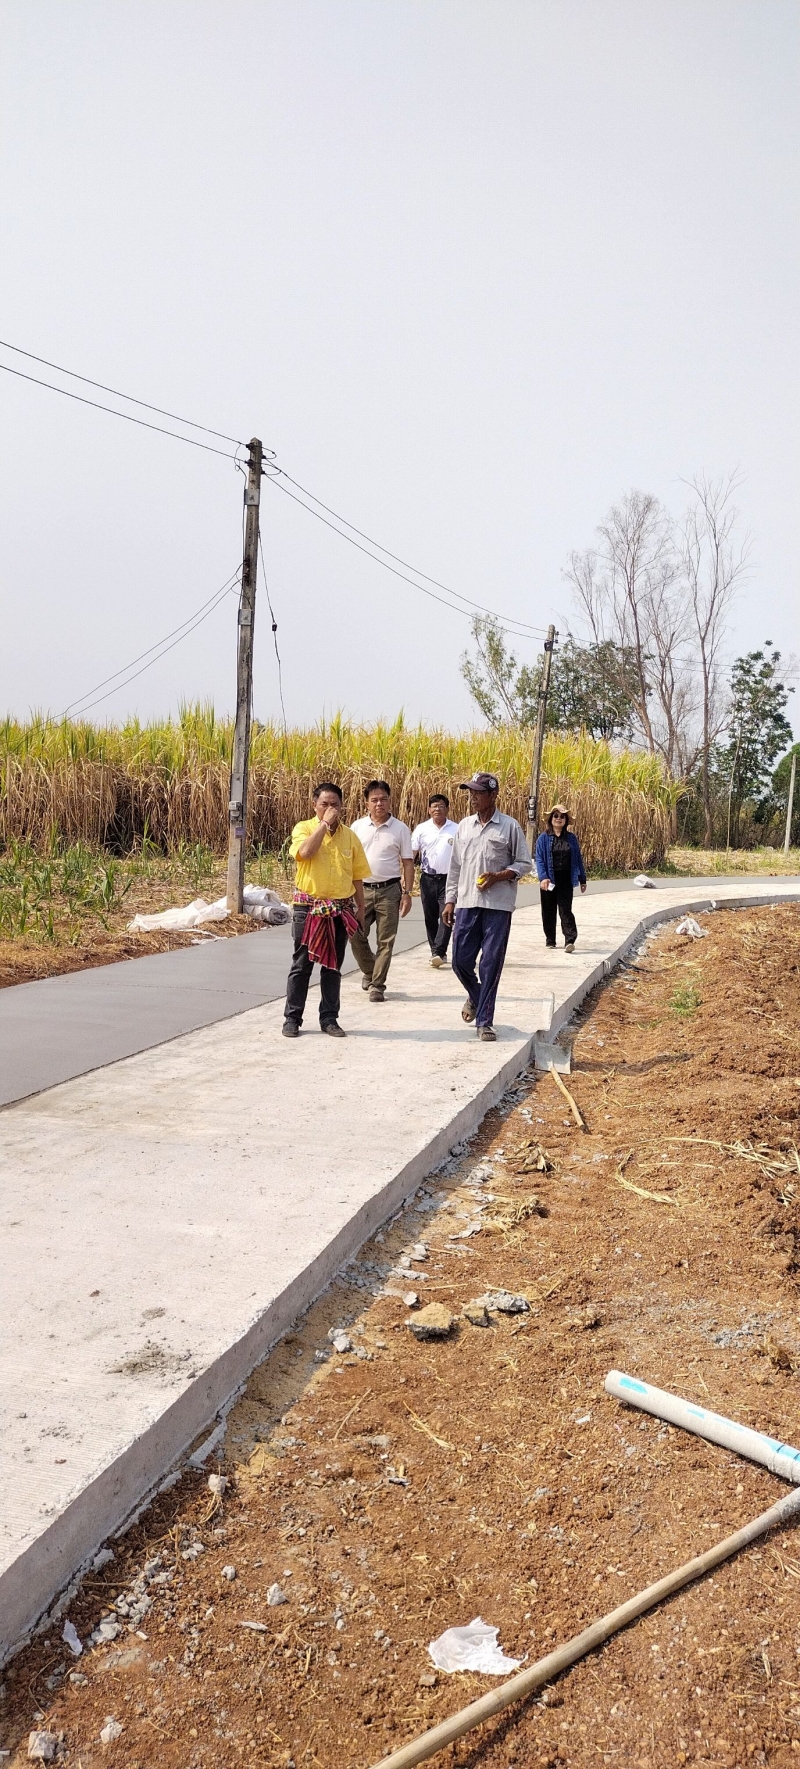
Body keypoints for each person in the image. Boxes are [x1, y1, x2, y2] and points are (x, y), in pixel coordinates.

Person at [443, 771, 532, 1042]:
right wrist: (450, 900)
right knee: (459, 961)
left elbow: (524, 863)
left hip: (498, 905)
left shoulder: (509, 826)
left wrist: (499, 876)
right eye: (471, 793)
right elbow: (455, 867)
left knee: (490, 963)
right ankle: (477, 995)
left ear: (493, 795)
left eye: (479, 793)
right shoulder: (464, 826)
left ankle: (485, 1022)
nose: (473, 797)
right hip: (467, 902)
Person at [283, 783, 369, 1038]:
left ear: (342, 806)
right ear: (314, 805)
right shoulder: (304, 828)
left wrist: (361, 907)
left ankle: (329, 1018)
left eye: (335, 805)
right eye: (324, 804)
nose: (330, 809)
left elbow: (357, 875)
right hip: (308, 908)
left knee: (333, 966)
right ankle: (292, 1018)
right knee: (302, 964)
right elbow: (305, 852)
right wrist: (323, 825)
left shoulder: (349, 836)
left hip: (339, 909)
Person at [350, 781, 414, 1001]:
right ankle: (370, 970)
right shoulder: (357, 827)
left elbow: (407, 863)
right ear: (366, 803)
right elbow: (349, 860)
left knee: (386, 941)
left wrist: (407, 893)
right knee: (354, 933)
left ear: (390, 801)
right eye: (374, 800)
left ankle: (377, 985)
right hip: (361, 890)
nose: (379, 804)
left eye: (383, 799)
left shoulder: (400, 829)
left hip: (390, 891)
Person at [411, 793, 458, 967]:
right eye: (434, 806)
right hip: (427, 879)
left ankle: (439, 951)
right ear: (429, 810)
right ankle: (435, 952)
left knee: (446, 914)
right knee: (430, 917)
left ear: (447, 809)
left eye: (441, 806)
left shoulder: (456, 829)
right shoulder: (422, 829)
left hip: (449, 880)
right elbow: (412, 853)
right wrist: (405, 876)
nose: (438, 809)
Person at [534, 804, 587, 953]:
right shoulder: (543, 838)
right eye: (556, 816)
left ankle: (569, 940)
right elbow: (539, 859)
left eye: (562, 816)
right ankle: (550, 939)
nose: (559, 819)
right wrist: (543, 877)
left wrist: (582, 879)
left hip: (565, 879)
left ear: (566, 820)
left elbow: (578, 859)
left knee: (565, 910)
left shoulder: (571, 838)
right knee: (548, 910)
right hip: (549, 880)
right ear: (551, 819)